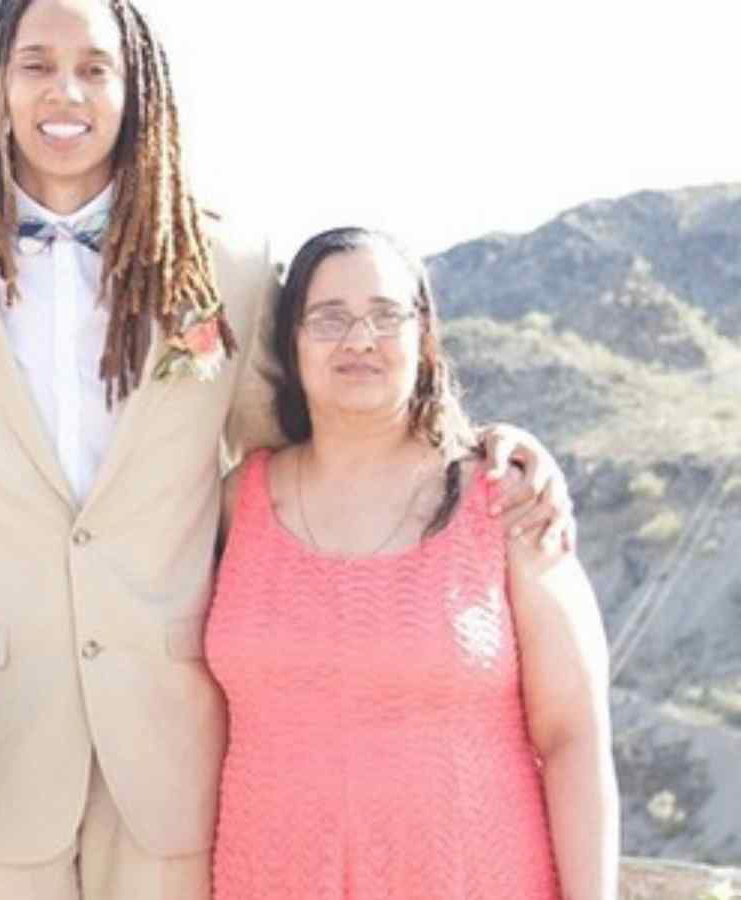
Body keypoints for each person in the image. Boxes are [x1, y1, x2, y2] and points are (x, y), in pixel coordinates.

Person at [0, 1, 574, 898]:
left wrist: (481, 450)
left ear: (139, 87)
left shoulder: (226, 268)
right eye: (36, 64)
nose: (66, 90)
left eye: (95, 66)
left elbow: (326, 437)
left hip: (175, 748)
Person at [205, 227, 617, 898]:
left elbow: (574, 734)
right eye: (329, 318)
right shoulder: (233, 505)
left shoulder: (506, 499)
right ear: (292, 342)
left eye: (385, 315)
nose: (360, 339)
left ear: (424, 337)